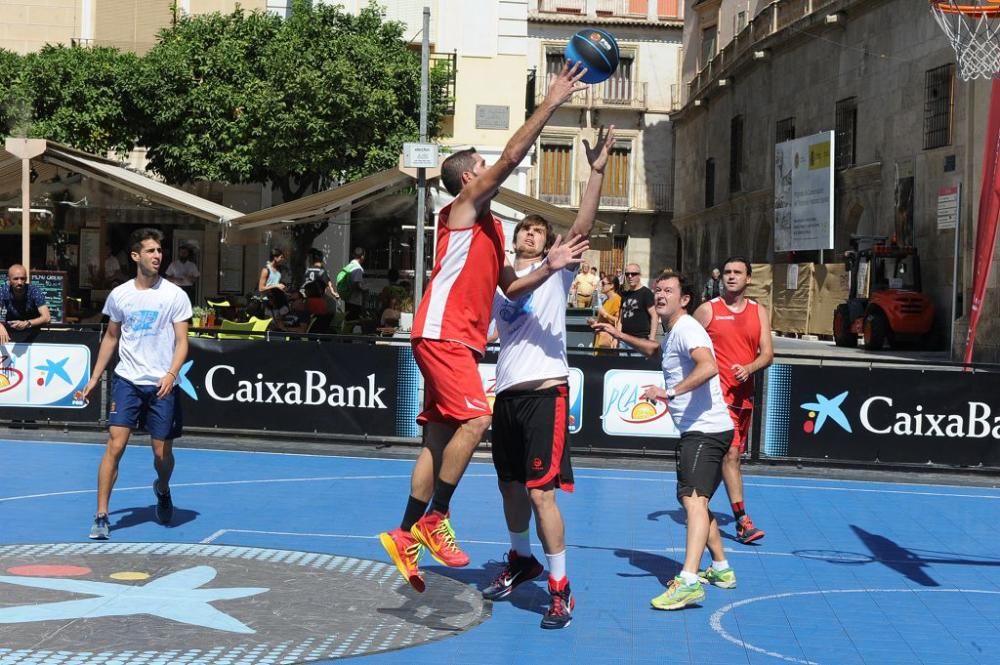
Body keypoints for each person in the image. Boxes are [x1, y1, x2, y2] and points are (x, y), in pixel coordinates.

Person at [377, 60, 591, 594]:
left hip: (450, 338)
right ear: (470, 176)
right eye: (481, 161)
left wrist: (551, 266)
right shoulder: (465, 205)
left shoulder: (493, 228)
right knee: (476, 419)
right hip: (444, 331)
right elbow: (516, 153)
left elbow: (511, 288)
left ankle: (405, 532)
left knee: (438, 438)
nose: (491, 163)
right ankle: (437, 517)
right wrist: (552, 101)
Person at [484, 124, 615, 630]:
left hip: (545, 393)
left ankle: (560, 588)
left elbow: (582, 222)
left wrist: (597, 171)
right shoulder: (500, 281)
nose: (531, 234)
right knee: (509, 488)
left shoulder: (558, 271)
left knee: (542, 493)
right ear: (515, 241)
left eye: (538, 231)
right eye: (526, 231)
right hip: (508, 396)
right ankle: (522, 560)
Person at [592, 271, 736, 610]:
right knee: (695, 501)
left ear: (684, 299)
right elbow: (656, 350)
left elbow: (709, 367)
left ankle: (687, 581)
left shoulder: (687, 329)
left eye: (668, 291)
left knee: (694, 501)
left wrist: (669, 392)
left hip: (705, 429)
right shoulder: (674, 334)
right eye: (657, 290)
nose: (659, 295)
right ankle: (721, 568)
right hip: (700, 429)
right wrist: (618, 333)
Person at [78, 228, 191, 540]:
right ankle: (101, 515)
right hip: (127, 380)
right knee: (115, 445)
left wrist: (170, 374)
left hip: (161, 384)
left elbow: (182, 342)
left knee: (160, 455)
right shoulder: (120, 295)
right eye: (151, 251)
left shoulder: (175, 295)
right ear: (135, 256)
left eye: (160, 250)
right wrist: (94, 377)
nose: (158, 256)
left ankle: (163, 488)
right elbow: (111, 337)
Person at [693, 256, 773, 544]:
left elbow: (767, 354)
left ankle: (696, 501)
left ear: (748, 278)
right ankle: (742, 520)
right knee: (732, 454)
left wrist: (749, 368)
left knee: (730, 459)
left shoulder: (758, 311)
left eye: (737, 272)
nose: (731, 276)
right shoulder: (707, 310)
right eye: (727, 272)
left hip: (744, 397)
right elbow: (683, 341)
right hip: (716, 398)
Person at [0, 264, 52, 345]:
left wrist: (27, 323)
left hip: (34, 332)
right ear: (9, 280)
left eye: (22, 278)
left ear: (26, 279)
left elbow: (47, 317)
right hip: (12, 331)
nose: (19, 282)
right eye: (16, 279)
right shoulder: (3, 291)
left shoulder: (34, 291)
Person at [618, 263, 658, 350]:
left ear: (639, 275)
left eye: (633, 274)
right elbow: (620, 319)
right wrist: (617, 337)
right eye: (627, 274)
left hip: (640, 340)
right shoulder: (624, 294)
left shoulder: (646, 293)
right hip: (624, 340)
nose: (630, 276)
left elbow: (654, 315)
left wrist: (652, 338)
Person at [337, 248, 367, 322]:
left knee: (348, 322)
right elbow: (356, 284)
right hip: (355, 301)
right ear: (362, 257)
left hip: (348, 299)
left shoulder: (349, 266)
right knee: (352, 323)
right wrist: (364, 290)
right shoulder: (358, 269)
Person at [257, 248, 288, 319]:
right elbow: (261, 288)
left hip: (277, 302)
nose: (282, 259)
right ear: (275, 258)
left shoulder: (279, 271)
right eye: (281, 257)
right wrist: (276, 285)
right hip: (267, 303)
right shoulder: (266, 270)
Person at [592, 275, 621, 350]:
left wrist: (605, 314)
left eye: (603, 283)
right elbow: (603, 320)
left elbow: (618, 321)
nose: (601, 285)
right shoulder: (606, 300)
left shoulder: (617, 300)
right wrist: (595, 323)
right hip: (600, 339)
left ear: (611, 286)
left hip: (607, 341)